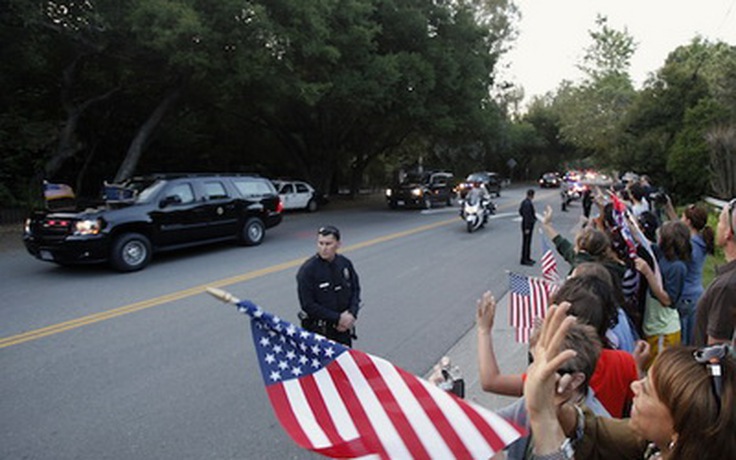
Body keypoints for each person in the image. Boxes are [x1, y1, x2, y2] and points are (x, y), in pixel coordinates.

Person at [524, 302, 735, 460]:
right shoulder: (660, 444)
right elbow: (597, 432)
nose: (635, 385)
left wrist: (542, 415)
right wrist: (557, 407)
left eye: (647, 391)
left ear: (677, 432)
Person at [634, 220, 690, 365]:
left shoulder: (677, 267)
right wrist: (626, 220)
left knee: (657, 372)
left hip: (664, 331)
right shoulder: (661, 255)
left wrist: (648, 272)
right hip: (654, 327)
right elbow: (642, 239)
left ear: (668, 241)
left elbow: (667, 300)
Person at [296, 225, 361, 346]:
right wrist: (338, 318)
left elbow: (355, 290)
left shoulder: (345, 264)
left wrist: (352, 314)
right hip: (320, 333)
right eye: (320, 243)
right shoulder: (308, 270)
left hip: (343, 330)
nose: (324, 248)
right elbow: (307, 304)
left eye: (328, 244)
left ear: (338, 244)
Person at [663, 201, 715, 345]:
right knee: (693, 336)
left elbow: (676, 236)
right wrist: (669, 207)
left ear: (688, 221)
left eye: (682, 217)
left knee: (683, 340)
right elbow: (679, 229)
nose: (679, 220)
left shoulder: (689, 245)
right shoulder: (701, 241)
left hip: (685, 296)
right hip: (696, 294)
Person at [694, 199, 736, 347]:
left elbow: (717, 354)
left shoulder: (726, 287)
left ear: (728, 233)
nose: (716, 226)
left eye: (720, 221)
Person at [519, 189, 537, 265]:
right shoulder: (527, 204)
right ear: (532, 195)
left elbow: (520, 211)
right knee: (526, 243)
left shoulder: (525, 202)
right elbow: (526, 216)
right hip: (527, 226)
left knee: (528, 242)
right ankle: (524, 259)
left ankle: (528, 257)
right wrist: (527, 228)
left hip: (527, 224)